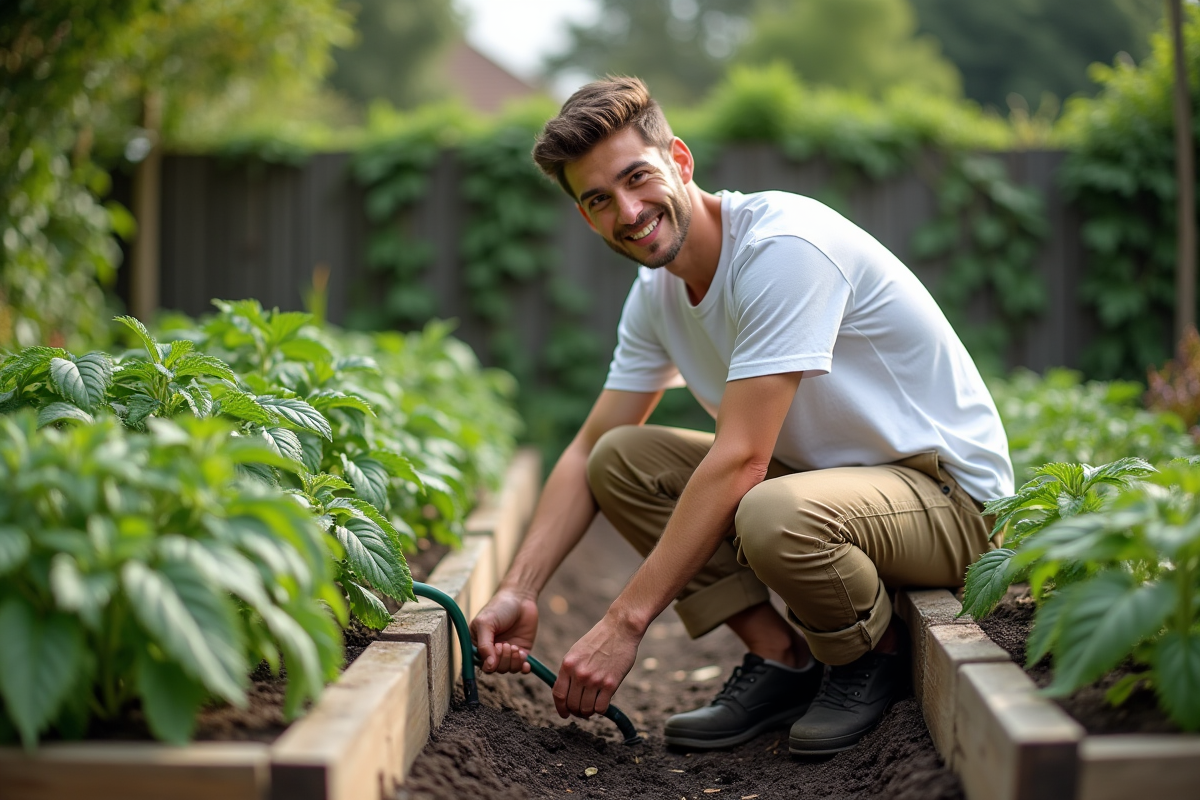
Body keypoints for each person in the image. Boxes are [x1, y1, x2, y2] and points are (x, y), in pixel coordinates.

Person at [469, 76, 1013, 756]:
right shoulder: (656, 295)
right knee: (621, 461)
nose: (630, 211)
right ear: (586, 216)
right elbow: (586, 452)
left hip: (947, 497)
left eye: (638, 177)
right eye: (600, 200)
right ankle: (783, 659)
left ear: (682, 161)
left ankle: (870, 658)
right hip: (832, 488)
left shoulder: (782, 249)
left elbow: (742, 461)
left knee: (770, 510)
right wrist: (518, 589)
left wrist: (622, 624)